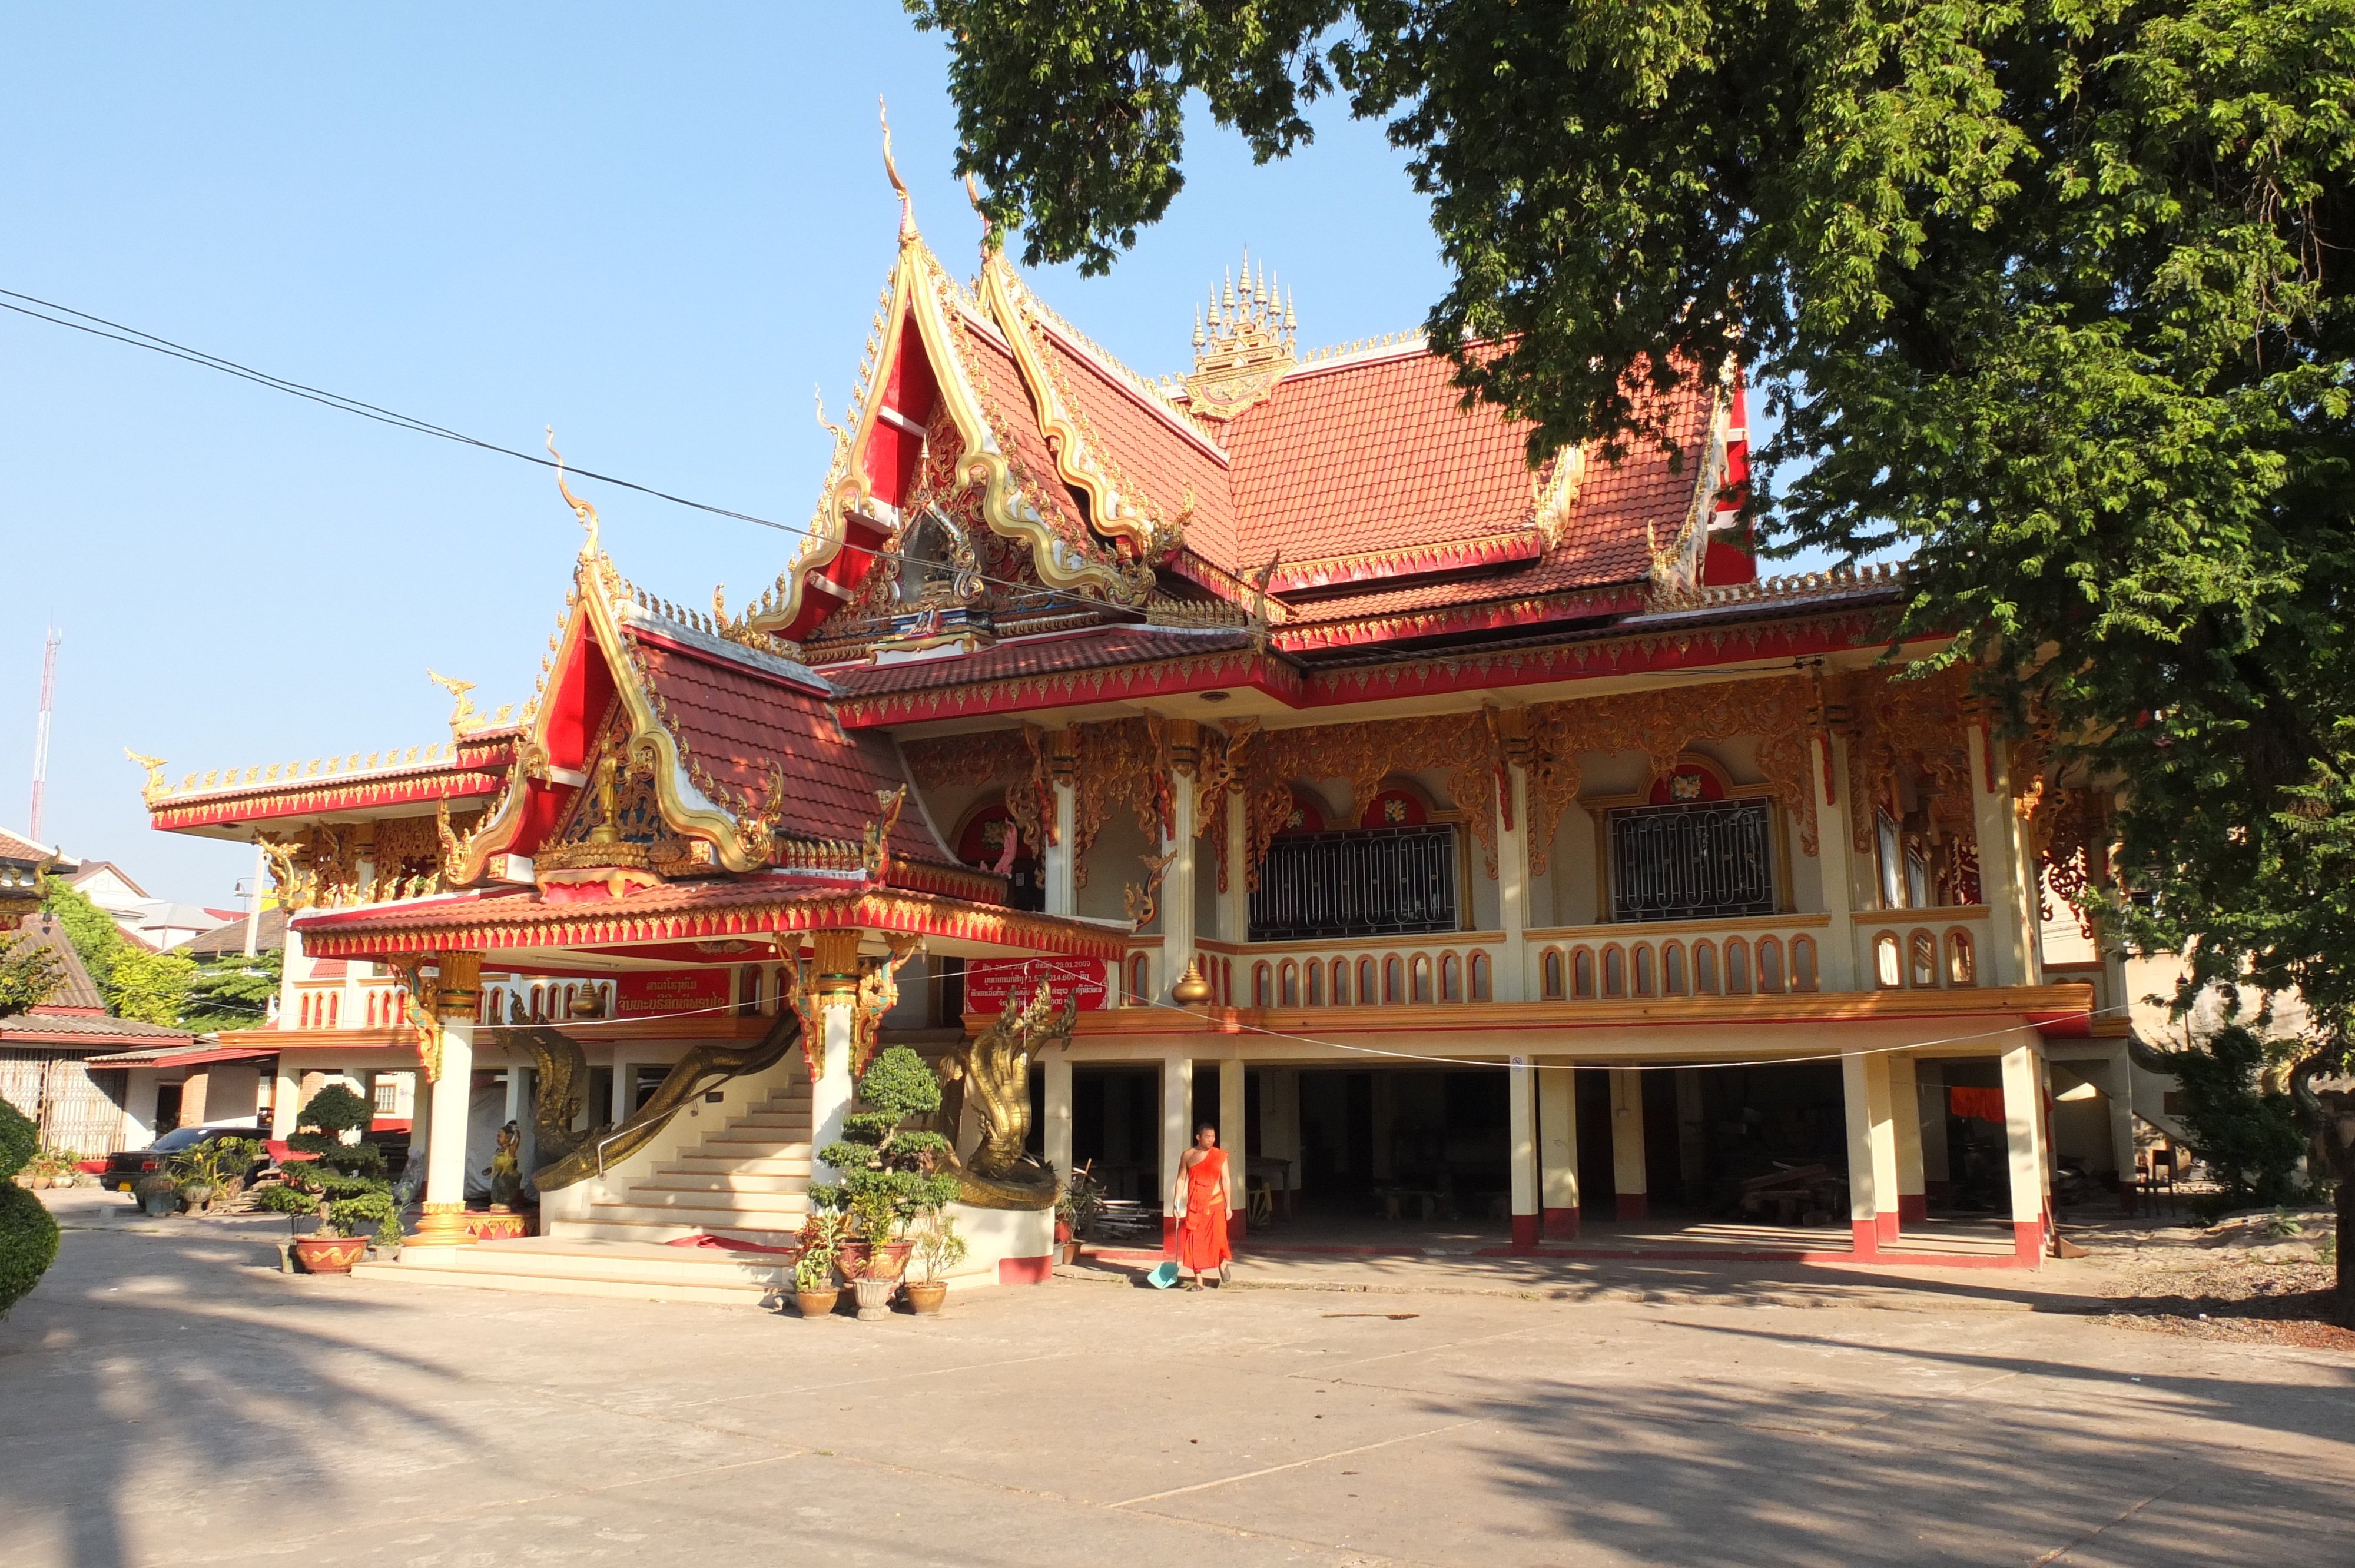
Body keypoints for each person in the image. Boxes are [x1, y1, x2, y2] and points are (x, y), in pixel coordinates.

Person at [1172, 1122, 1232, 1289]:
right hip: (1195, 1206)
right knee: (1194, 1243)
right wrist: (1176, 1203)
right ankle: (1199, 1281)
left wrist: (1229, 1205)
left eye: (1213, 1136)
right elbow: (1181, 1179)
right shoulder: (1188, 1155)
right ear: (1198, 1137)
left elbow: (1225, 1180)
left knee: (1218, 1239)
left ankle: (1221, 1262)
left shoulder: (1220, 1156)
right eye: (1207, 1136)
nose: (1211, 1140)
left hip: (1215, 1203)